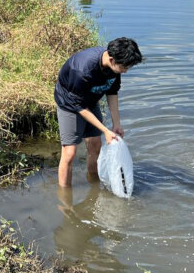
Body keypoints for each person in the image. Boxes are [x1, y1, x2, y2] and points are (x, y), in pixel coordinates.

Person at [54, 37, 142, 188]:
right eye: (124, 67)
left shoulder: (115, 67)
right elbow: (78, 105)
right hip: (69, 103)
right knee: (69, 153)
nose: (125, 71)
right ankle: (65, 201)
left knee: (95, 145)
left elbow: (112, 92)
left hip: (89, 100)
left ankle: (94, 185)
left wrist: (116, 124)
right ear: (112, 59)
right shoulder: (82, 70)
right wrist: (105, 130)